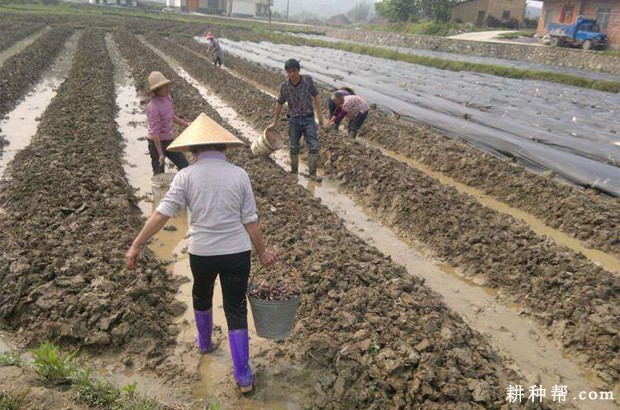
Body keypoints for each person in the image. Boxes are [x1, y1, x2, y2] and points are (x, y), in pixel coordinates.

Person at [125, 113, 277, 394]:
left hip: (202, 253)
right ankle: (243, 375)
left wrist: (136, 245)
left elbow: (161, 214)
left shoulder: (185, 176)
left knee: (201, 295)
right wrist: (263, 251)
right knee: (235, 307)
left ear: (193, 150)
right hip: (236, 253)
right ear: (223, 147)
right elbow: (250, 221)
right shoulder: (239, 175)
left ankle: (204, 344)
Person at [269, 58, 324, 182]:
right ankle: (294, 172)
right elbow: (279, 103)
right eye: (288, 72)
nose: (291, 74)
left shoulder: (307, 81)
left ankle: (312, 174)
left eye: (293, 71)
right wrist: (275, 121)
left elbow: (316, 94)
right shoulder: (285, 86)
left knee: (313, 146)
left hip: (309, 119)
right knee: (294, 147)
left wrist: (319, 114)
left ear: (298, 71)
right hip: (294, 120)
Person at [146, 71, 190, 175]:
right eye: (163, 87)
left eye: (166, 86)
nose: (166, 88)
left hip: (169, 140)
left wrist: (185, 124)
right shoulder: (153, 107)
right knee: (159, 173)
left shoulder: (168, 99)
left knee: (184, 165)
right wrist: (160, 154)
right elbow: (155, 133)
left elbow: (171, 116)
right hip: (156, 143)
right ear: (156, 90)